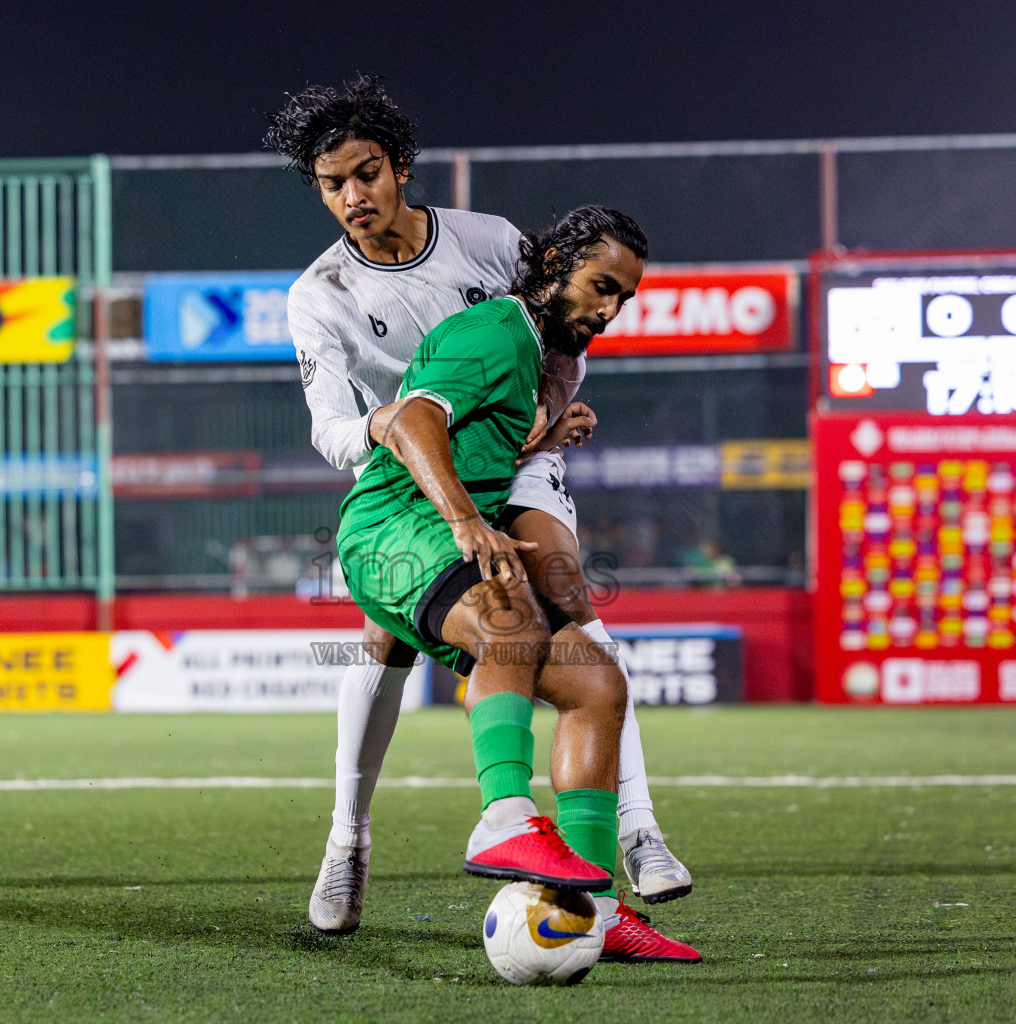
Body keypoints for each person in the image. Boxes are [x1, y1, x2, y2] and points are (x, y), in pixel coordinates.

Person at [266, 77, 694, 948]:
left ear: (401, 166)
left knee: (569, 605)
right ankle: (350, 840)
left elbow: (566, 319)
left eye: (367, 173)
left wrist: (548, 419)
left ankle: (628, 845)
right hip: (411, 481)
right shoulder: (321, 294)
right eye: (332, 183)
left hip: (511, 454)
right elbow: (335, 428)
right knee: (422, 631)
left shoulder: (490, 242)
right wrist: (390, 429)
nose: (353, 196)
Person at [338, 204, 698, 961]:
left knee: (596, 683)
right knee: (514, 616)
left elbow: (476, 438)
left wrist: (545, 436)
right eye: (602, 286)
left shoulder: (536, 353)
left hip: (430, 536)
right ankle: (502, 817)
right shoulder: (497, 331)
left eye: (624, 297)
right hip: (390, 532)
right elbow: (411, 421)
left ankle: (593, 911)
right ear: (556, 264)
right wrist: (468, 520)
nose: (610, 310)